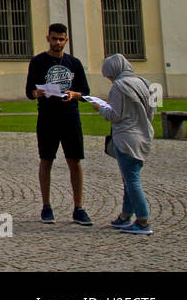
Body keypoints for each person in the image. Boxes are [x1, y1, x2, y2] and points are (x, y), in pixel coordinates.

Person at [25, 23, 91, 225]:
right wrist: (37, 93)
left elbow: (85, 92)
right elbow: (29, 91)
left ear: (66, 40)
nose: (57, 43)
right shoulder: (38, 62)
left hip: (70, 116)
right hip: (47, 117)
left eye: (61, 39)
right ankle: (46, 207)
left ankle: (78, 208)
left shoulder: (74, 63)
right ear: (48, 38)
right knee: (46, 160)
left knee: (75, 161)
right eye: (54, 39)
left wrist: (75, 94)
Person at [89, 54, 156, 235]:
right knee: (129, 178)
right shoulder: (143, 82)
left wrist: (99, 107)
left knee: (132, 180)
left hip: (126, 138)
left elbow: (114, 115)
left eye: (109, 75)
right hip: (143, 135)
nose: (110, 80)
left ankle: (143, 221)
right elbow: (153, 109)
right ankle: (126, 216)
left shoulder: (119, 86)